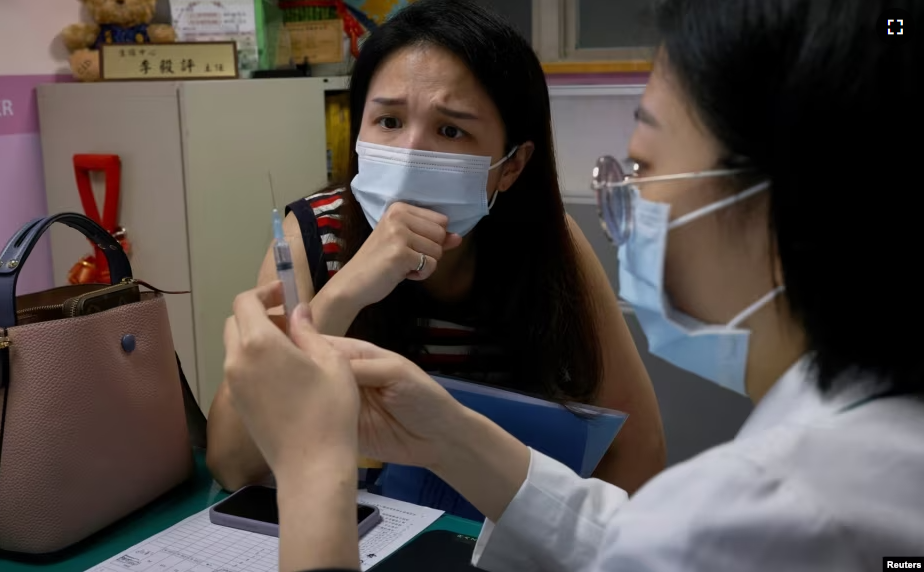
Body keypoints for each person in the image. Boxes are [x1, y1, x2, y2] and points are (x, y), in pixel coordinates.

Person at [221, 0, 924, 569]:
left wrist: (316, 470)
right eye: (389, 120)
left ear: (770, 206)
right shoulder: (870, 449)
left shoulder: (758, 514)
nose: (626, 202)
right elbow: (621, 538)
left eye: (643, 166)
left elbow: (664, 533)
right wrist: (446, 432)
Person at [206, 0, 666, 517]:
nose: (408, 153)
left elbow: (639, 448)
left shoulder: (551, 246)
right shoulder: (314, 237)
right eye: (388, 120)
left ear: (511, 166)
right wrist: (346, 293)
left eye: (451, 130)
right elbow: (231, 463)